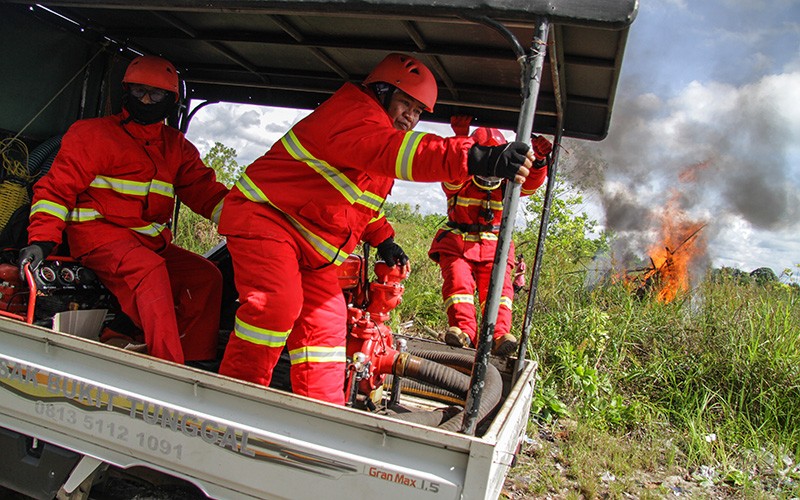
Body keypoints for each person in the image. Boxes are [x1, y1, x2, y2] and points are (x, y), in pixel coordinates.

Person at [216, 53, 536, 404]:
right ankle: (235, 403)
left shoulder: (375, 141)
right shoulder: (353, 115)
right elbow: (399, 152)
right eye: (405, 104)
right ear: (381, 92)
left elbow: (356, 207)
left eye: (417, 112)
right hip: (268, 219)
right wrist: (475, 158)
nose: (410, 117)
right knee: (275, 305)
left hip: (312, 250)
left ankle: (323, 415)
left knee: (327, 327)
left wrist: (385, 241)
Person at [19, 55, 229, 365]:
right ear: (125, 92)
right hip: (98, 236)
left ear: (171, 100)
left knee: (206, 276)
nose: (145, 99)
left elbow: (207, 194)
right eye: (138, 91)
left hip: (147, 241)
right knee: (150, 271)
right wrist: (41, 240)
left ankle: (198, 361)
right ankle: (168, 368)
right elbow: (55, 190)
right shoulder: (92, 135)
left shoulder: (176, 148)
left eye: (155, 94)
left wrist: (253, 227)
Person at [428, 116, 551, 356]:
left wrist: (538, 161)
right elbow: (454, 166)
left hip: (495, 247)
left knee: (500, 293)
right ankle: (463, 332)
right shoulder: (460, 179)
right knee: (457, 286)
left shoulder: (507, 184)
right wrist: (461, 136)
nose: (489, 179)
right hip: (457, 243)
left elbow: (529, 184)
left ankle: (498, 336)